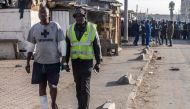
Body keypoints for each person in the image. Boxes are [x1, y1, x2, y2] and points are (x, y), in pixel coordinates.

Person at [25, 5, 66, 109]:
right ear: (38, 15)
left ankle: (53, 103)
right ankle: (44, 107)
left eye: (45, 13)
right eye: (40, 13)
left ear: (49, 14)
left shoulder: (56, 26)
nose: (42, 15)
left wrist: (64, 59)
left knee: (53, 85)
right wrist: (28, 63)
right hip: (39, 63)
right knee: (41, 86)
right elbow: (30, 46)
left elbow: (62, 43)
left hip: (53, 62)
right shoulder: (34, 28)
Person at [65, 7, 102, 109]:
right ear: (75, 18)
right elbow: (68, 47)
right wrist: (65, 62)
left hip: (87, 63)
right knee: (78, 87)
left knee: (84, 87)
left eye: (81, 16)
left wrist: (98, 62)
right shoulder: (69, 29)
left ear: (84, 17)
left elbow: (97, 46)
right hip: (75, 63)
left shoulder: (92, 28)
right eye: (76, 16)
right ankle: (80, 106)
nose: (78, 18)